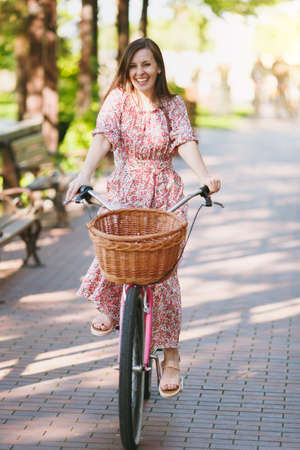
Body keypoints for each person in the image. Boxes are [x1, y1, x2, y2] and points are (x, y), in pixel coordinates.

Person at [65, 38, 221, 398]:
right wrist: (84, 175)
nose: (140, 72)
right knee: (112, 243)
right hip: (126, 186)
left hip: (164, 191)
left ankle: (171, 355)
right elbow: (103, 138)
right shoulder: (118, 100)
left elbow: (185, 142)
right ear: (126, 69)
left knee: (163, 272)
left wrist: (204, 177)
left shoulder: (172, 105)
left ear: (159, 67)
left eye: (147, 65)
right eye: (134, 66)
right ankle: (109, 303)